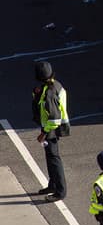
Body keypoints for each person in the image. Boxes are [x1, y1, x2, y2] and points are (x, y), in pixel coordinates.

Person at [30, 60, 67, 201]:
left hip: (51, 129)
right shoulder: (53, 85)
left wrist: (43, 133)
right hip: (50, 128)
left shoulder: (50, 92)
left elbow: (54, 118)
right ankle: (53, 185)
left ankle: (60, 191)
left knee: (54, 159)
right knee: (50, 158)